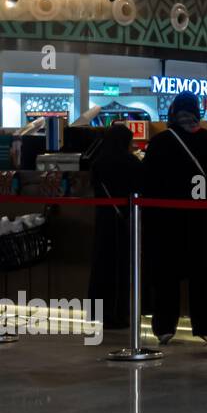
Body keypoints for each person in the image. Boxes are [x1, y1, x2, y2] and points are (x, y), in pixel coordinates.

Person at [143, 92, 207, 344]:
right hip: (202, 219)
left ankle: (165, 327)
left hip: (166, 220)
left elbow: (148, 180)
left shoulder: (161, 142)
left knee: (166, 274)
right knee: (203, 273)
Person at [88, 122, 142, 329]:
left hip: (103, 220)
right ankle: (119, 314)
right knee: (122, 267)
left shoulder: (98, 162)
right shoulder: (131, 163)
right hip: (126, 219)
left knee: (102, 265)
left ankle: (98, 313)